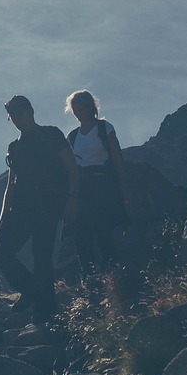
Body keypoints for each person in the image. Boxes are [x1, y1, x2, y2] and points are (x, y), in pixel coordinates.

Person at [0, 95, 79, 320]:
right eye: (12, 116)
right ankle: (32, 292)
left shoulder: (51, 134)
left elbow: (72, 167)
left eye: (19, 113)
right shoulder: (14, 147)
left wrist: (72, 198)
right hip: (22, 205)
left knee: (42, 255)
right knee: (1, 252)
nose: (16, 119)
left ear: (30, 111)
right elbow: (11, 184)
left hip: (47, 203)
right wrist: (3, 216)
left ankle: (46, 313)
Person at [65, 89, 133, 272]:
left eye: (82, 108)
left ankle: (113, 277)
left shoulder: (104, 128)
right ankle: (90, 282)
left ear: (90, 107)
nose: (79, 113)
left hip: (102, 185)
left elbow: (117, 158)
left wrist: (124, 186)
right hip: (82, 189)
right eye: (76, 110)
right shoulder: (72, 137)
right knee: (82, 236)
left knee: (104, 231)